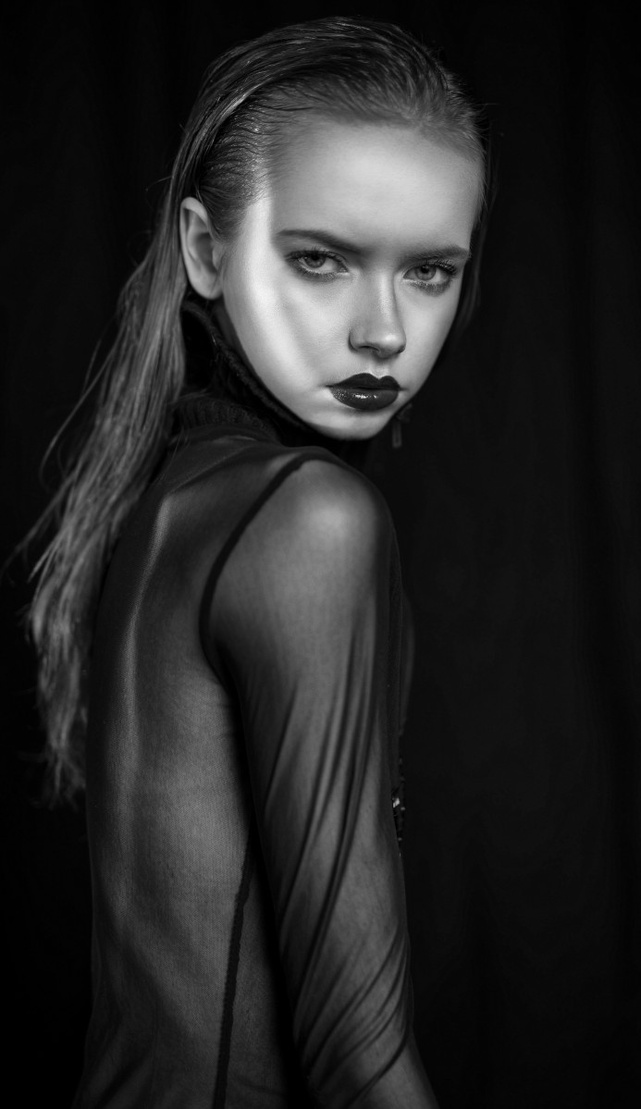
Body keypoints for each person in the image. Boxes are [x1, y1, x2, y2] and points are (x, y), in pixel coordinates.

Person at [28, 16, 490, 1108]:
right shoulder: (308, 519)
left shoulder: (174, 498)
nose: (383, 331)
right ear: (204, 249)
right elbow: (357, 1055)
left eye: (430, 270)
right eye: (320, 259)